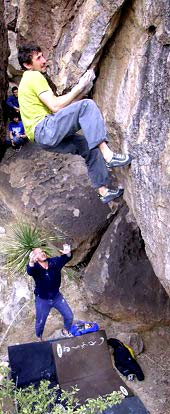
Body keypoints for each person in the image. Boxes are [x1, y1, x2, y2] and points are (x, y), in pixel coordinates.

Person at [18, 43, 132, 204]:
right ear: (27, 65)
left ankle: (104, 191)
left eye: (42, 55)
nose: (44, 60)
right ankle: (109, 155)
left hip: (42, 139)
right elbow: (56, 106)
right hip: (44, 129)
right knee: (87, 105)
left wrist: (82, 90)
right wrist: (78, 89)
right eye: (38, 58)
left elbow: (59, 112)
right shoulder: (33, 76)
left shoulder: (26, 81)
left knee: (87, 146)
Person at [27, 244, 74, 340]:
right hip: (42, 300)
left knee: (69, 316)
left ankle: (65, 332)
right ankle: (39, 338)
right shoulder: (35, 267)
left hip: (57, 297)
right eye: (38, 253)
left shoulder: (54, 262)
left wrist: (68, 253)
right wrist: (31, 262)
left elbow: (67, 258)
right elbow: (30, 271)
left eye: (42, 251)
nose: (42, 253)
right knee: (40, 323)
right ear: (35, 257)